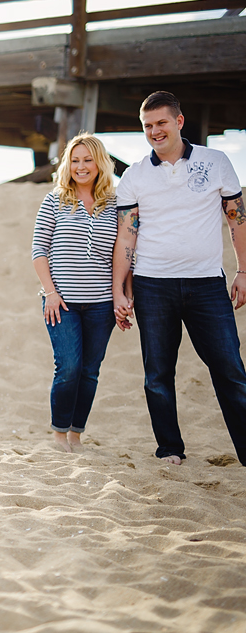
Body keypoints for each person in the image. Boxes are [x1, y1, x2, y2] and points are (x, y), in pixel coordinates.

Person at [113, 90, 246, 466]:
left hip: (206, 284)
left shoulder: (215, 162)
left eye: (161, 123)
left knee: (231, 371)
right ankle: (170, 448)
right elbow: (128, 234)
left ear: (179, 122)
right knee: (158, 374)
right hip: (153, 285)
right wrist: (119, 289)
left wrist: (244, 271)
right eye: (147, 126)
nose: (155, 131)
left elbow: (237, 220)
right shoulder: (135, 175)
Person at [31, 133, 120, 453]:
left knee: (89, 371)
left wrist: (122, 294)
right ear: (68, 164)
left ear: (100, 163)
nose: (81, 166)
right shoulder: (54, 200)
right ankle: (58, 434)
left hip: (101, 304)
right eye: (75, 160)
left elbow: (122, 254)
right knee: (68, 366)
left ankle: (76, 434)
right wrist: (50, 292)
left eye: (88, 159)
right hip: (61, 302)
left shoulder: (115, 204)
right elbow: (39, 250)